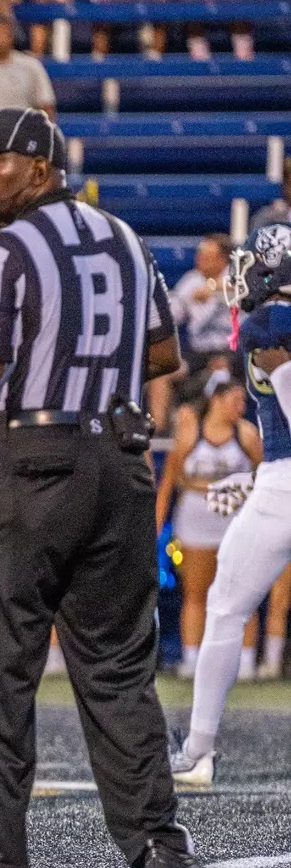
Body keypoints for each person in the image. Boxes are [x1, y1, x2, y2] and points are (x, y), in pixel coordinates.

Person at [0, 106, 230, 868]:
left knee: (4, 669)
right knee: (118, 667)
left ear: (40, 170)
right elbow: (163, 354)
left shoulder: (5, 251)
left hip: (33, 462)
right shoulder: (126, 239)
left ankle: (2, 857)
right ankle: (163, 847)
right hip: (120, 462)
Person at [172, 225, 291, 786]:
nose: (236, 277)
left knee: (224, 607)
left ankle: (198, 750)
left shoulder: (270, 324)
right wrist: (255, 484)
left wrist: (269, 485)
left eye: (248, 265)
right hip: (277, 482)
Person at [156, 375, 260, 678]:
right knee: (196, 593)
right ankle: (191, 659)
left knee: (243, 594)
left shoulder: (247, 434)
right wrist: (158, 522)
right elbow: (171, 480)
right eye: (234, 400)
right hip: (196, 524)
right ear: (216, 398)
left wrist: (228, 490)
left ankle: (246, 661)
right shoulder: (191, 433)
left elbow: (265, 475)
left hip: (235, 523)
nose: (241, 406)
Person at [151, 234, 234, 432]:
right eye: (199, 255)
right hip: (198, 353)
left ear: (222, 259)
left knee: (220, 367)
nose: (199, 260)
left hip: (231, 351)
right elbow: (172, 314)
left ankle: (218, 431)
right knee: (161, 372)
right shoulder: (191, 280)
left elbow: (240, 289)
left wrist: (213, 289)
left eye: (207, 256)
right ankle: (155, 433)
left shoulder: (236, 275)